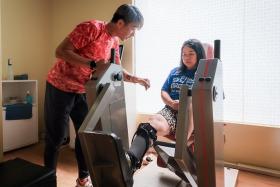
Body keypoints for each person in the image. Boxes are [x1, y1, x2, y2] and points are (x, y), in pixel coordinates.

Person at [44, 4, 150, 187]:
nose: (133, 34)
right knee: (56, 138)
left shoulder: (115, 41)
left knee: (85, 135)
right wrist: (92, 64)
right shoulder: (92, 28)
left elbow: (115, 68)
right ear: (120, 23)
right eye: (133, 28)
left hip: (83, 90)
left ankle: (82, 178)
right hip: (59, 87)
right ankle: (47, 182)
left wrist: (136, 79)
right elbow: (60, 51)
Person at [126, 39, 206, 172]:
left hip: (194, 115)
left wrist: (187, 103)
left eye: (191, 54)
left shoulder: (204, 74)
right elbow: (164, 91)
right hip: (171, 111)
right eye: (184, 54)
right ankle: (131, 159)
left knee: (190, 102)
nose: (186, 57)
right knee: (149, 126)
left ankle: (181, 146)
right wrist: (172, 103)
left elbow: (210, 98)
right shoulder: (175, 71)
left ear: (199, 54)